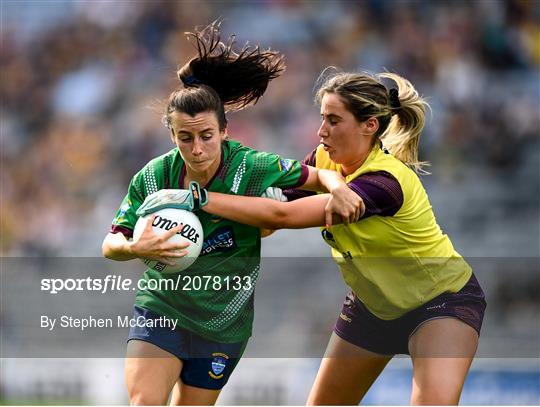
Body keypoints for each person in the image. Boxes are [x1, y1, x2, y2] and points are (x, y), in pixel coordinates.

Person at [156, 70, 487, 405]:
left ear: (369, 125)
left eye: (333, 120)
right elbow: (270, 216)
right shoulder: (324, 161)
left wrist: (198, 198)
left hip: (440, 302)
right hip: (372, 308)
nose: (321, 131)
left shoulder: (384, 183)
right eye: (321, 118)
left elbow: (282, 216)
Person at [101, 24, 362, 406]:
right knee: (144, 402)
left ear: (225, 130)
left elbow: (319, 175)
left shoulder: (252, 166)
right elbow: (111, 242)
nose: (197, 148)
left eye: (206, 135)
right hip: (162, 307)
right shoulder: (154, 175)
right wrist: (133, 247)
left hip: (224, 321)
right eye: (184, 138)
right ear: (171, 135)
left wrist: (338, 187)